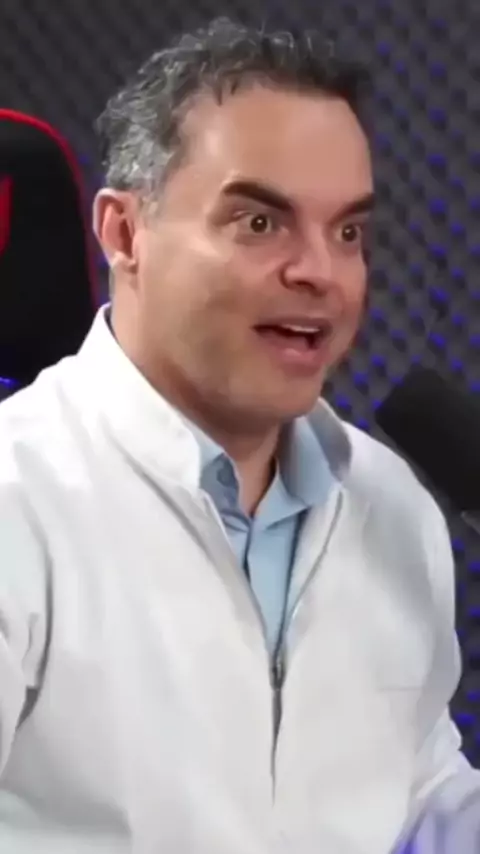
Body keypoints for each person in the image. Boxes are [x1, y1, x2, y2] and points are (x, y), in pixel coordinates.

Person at [0, 17, 479, 854]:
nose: (320, 272)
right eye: (260, 223)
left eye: (349, 232)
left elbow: (419, 796)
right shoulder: (20, 496)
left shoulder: (394, 506)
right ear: (124, 233)